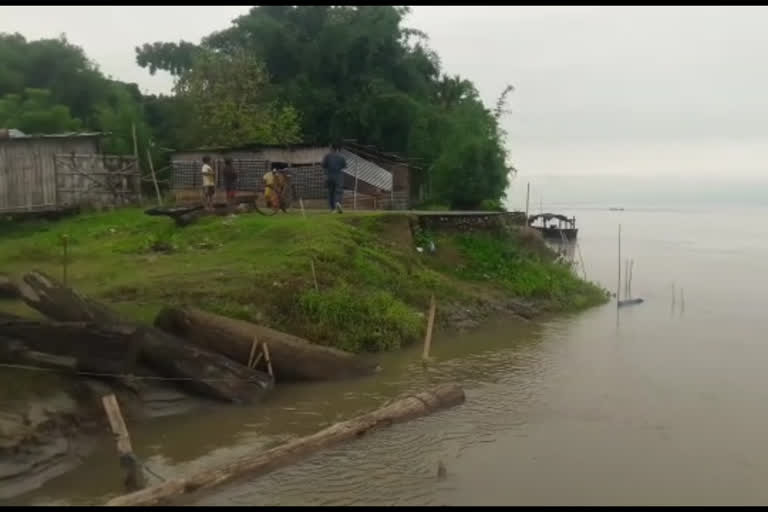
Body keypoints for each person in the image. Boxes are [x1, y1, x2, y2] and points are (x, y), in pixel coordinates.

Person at [321, 143, 346, 213]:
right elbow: (344, 167)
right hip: (338, 176)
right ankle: (338, 202)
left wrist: (325, 175)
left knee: (330, 192)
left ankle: (332, 208)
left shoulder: (327, 156)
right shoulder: (342, 157)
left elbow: (323, 166)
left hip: (329, 175)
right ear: (337, 149)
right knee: (339, 190)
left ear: (331, 148)